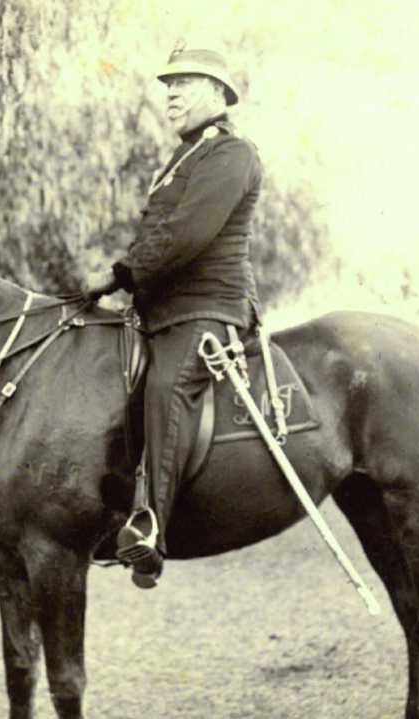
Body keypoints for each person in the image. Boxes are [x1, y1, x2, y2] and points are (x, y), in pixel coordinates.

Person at [83, 45, 263, 589]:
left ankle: (148, 527)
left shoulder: (233, 154)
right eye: (168, 85)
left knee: (167, 387)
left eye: (185, 82)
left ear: (217, 93)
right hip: (162, 312)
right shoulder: (185, 157)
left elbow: (186, 235)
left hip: (207, 310)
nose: (171, 94)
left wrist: (119, 275)